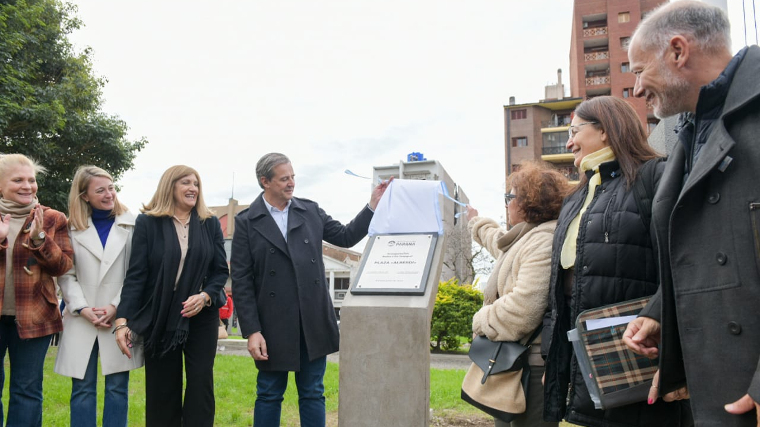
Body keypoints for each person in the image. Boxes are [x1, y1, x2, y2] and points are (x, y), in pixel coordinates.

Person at [622, 2, 760, 425]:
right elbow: (714, 245)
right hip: (719, 384)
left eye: (639, 71)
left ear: (678, 51)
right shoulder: (690, 131)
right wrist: (659, 312)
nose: (637, 89)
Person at [542, 96, 692, 427]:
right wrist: (555, 363)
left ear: (605, 130)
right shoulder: (575, 199)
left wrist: (677, 361)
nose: (568, 142)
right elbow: (559, 294)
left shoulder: (657, 176)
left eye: (574, 131)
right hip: (588, 371)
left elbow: (685, 267)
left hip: (642, 363)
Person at [231, 152, 390, 427]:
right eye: (284, 178)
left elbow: (345, 236)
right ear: (265, 181)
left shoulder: (310, 211)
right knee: (268, 393)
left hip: (311, 320)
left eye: (293, 177)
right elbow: (242, 279)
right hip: (271, 325)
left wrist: (372, 205)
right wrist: (252, 330)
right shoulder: (247, 221)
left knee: (313, 392)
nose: (291, 183)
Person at [114, 165, 229, 427]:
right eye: (186, 182)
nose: (193, 188)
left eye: (196, 184)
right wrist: (122, 320)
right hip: (161, 313)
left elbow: (220, 271)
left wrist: (205, 296)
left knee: (200, 382)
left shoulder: (209, 223)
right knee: (162, 387)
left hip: (201, 313)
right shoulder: (148, 223)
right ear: (170, 186)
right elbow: (137, 275)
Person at [465, 161, 567, 427]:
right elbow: (499, 242)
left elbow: (523, 308)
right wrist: (475, 221)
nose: (507, 204)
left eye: (510, 197)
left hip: (531, 368)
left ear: (528, 203)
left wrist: (480, 319)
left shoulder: (543, 240)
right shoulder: (526, 237)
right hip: (514, 362)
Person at [54, 166, 144, 427]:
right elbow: (66, 273)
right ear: (84, 196)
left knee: (117, 388)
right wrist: (82, 308)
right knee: (82, 390)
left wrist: (116, 306)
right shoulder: (70, 229)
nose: (109, 194)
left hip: (119, 317)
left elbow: (137, 272)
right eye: (100, 190)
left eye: (111, 188)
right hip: (81, 318)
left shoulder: (133, 224)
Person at [0, 153, 73, 426]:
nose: (27, 186)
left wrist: (40, 239)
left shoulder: (53, 218)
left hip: (36, 315)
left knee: (27, 390)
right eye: (18, 180)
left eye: (31, 180)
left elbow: (63, 266)